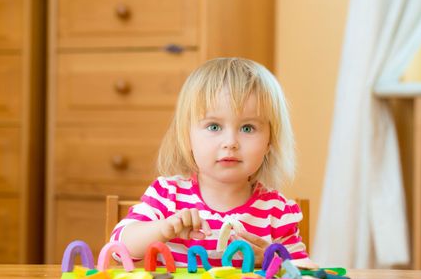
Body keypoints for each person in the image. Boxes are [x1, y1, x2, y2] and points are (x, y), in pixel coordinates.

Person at [110, 57, 309, 268]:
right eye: (214, 127)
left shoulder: (277, 211)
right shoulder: (167, 196)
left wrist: (272, 263)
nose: (230, 143)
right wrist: (163, 229)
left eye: (248, 128)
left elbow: (304, 275)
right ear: (187, 137)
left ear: (270, 141)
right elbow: (118, 248)